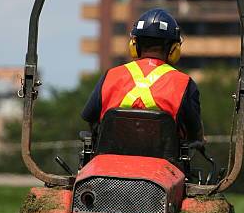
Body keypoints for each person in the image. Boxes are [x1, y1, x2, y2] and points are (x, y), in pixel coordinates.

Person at [82, 8, 204, 142]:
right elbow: (194, 133)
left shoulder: (110, 75)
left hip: (109, 159)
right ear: (174, 49)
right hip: (165, 162)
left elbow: (90, 118)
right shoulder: (184, 83)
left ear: (134, 45)